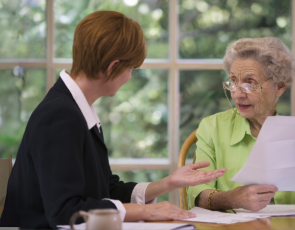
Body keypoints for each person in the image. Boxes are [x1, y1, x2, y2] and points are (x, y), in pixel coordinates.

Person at [0, 11, 226, 229]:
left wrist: (167, 183)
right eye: (131, 68)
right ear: (113, 67)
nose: (129, 76)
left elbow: (105, 191)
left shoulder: (76, 109)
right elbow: (65, 212)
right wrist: (146, 212)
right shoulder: (60, 116)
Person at [186, 37, 295, 212]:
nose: (237, 94)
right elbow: (196, 195)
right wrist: (231, 199)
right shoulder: (212, 128)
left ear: (280, 87)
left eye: (250, 83)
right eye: (233, 81)